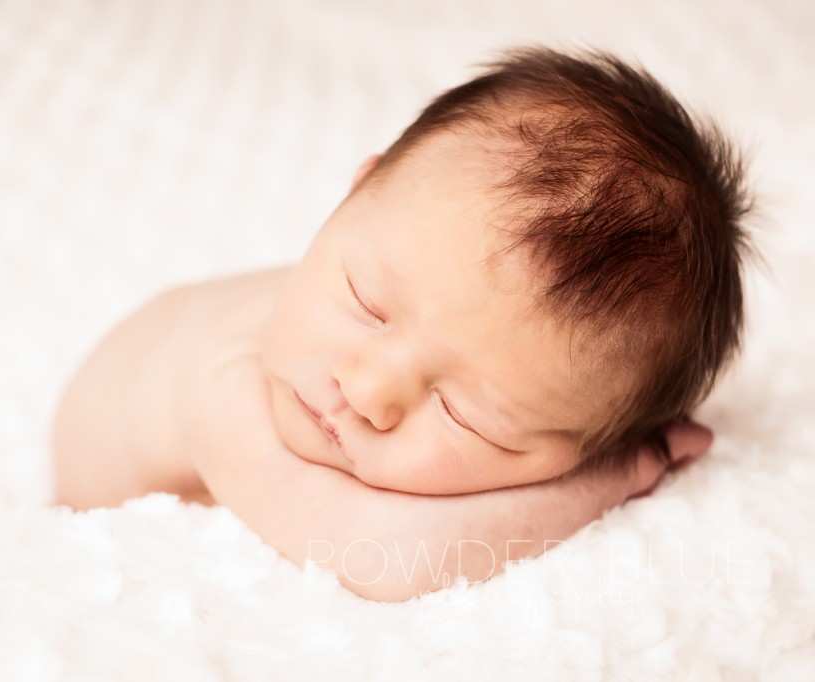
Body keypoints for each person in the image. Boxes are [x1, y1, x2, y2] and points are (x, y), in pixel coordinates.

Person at [51, 47, 750, 601]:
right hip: (80, 498)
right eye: (366, 302)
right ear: (355, 192)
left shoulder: (407, 295)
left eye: (467, 415)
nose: (367, 390)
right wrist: (626, 472)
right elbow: (381, 559)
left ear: (579, 445)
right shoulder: (226, 389)